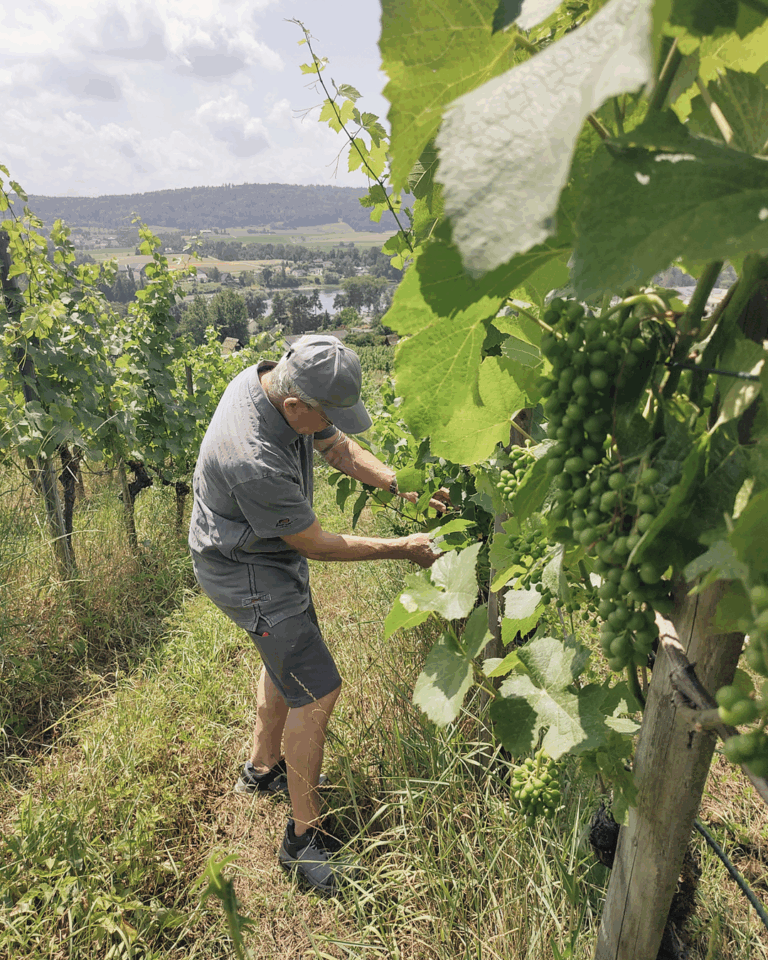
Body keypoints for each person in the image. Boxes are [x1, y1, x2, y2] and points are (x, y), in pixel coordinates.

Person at [188, 334, 446, 895]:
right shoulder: (251, 455)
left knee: (283, 657)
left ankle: (261, 770)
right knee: (316, 690)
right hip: (247, 567)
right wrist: (406, 546)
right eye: (325, 414)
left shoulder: (275, 382)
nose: (332, 425)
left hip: (257, 549)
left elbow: (336, 448)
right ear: (295, 406)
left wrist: (401, 486)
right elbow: (317, 543)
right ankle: (302, 839)